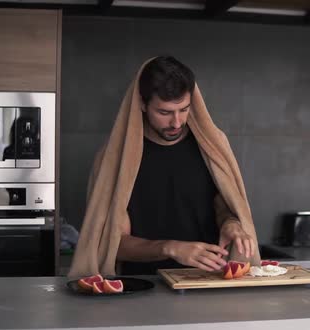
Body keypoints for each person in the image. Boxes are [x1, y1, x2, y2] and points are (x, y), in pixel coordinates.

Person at [68, 56, 261, 277]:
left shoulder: (213, 148)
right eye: (164, 112)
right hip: (141, 290)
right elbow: (112, 244)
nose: (176, 123)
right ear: (142, 103)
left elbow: (223, 206)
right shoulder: (114, 160)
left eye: (184, 109)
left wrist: (231, 224)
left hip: (208, 286)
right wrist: (170, 248)